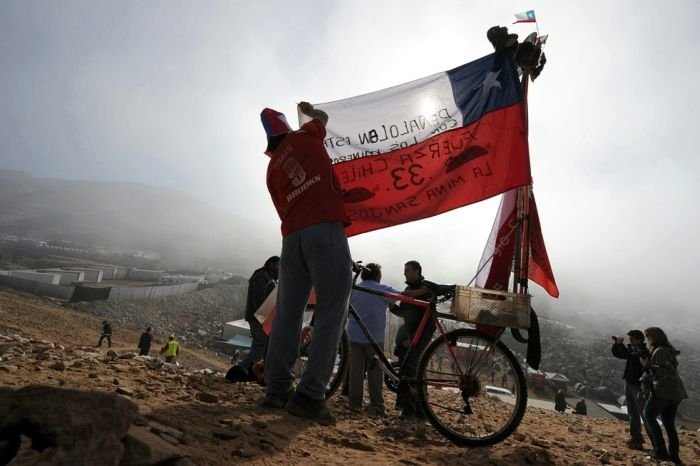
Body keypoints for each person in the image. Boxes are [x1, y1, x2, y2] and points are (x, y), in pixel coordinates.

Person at [259, 102, 352, 426]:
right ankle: (311, 395)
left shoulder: (271, 172)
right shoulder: (306, 135)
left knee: (288, 312)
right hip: (324, 230)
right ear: (287, 127)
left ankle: (277, 390)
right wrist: (312, 111)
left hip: (292, 239)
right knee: (331, 309)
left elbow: (282, 210)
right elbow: (323, 120)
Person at [346, 263, 401, 417]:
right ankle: (376, 405)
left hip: (354, 334)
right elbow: (402, 297)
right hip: (374, 337)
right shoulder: (382, 289)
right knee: (375, 371)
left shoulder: (355, 289)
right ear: (378, 275)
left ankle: (354, 402)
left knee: (356, 370)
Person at [390, 260, 435, 418]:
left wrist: (415, 338)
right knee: (408, 370)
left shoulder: (426, 289)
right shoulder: (408, 289)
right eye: (404, 270)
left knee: (411, 370)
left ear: (417, 271)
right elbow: (403, 313)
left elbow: (427, 320)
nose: (405, 273)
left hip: (420, 335)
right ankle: (415, 409)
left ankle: (412, 410)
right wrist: (391, 307)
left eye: (408, 270)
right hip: (408, 336)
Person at [226, 256, 280, 382]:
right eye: (278, 265)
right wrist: (264, 319)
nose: (280, 268)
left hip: (262, 318)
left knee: (261, 346)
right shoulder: (261, 276)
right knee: (260, 345)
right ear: (271, 264)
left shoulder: (269, 278)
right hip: (259, 318)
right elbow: (259, 300)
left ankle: (248, 372)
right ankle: (243, 371)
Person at [640, 327, 687, 465]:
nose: (647, 339)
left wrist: (647, 365)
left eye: (648, 336)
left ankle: (660, 451)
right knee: (669, 424)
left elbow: (667, 372)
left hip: (663, 391)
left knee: (648, 415)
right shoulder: (667, 350)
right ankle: (674, 456)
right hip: (675, 392)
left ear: (654, 337)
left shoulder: (660, 351)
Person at [612, 329, 652, 451]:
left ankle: (657, 444)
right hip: (630, 383)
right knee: (633, 413)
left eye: (632, 339)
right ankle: (636, 439)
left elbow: (628, 355)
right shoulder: (634, 349)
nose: (630, 340)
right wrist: (617, 345)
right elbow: (619, 354)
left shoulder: (643, 351)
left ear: (639, 339)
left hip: (639, 386)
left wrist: (620, 344)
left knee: (644, 414)